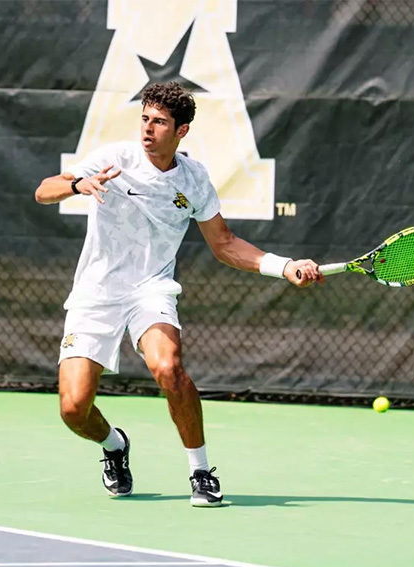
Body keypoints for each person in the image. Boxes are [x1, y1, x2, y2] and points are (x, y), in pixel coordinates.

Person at [34, 82, 323, 507]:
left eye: (160, 122)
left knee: (169, 367)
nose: (148, 129)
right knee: (74, 409)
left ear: (181, 131)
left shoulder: (194, 180)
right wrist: (78, 185)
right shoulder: (114, 159)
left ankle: (201, 472)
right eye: (145, 119)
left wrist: (284, 266)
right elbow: (44, 190)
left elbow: (224, 244)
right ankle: (114, 445)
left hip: (151, 288)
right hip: (95, 293)